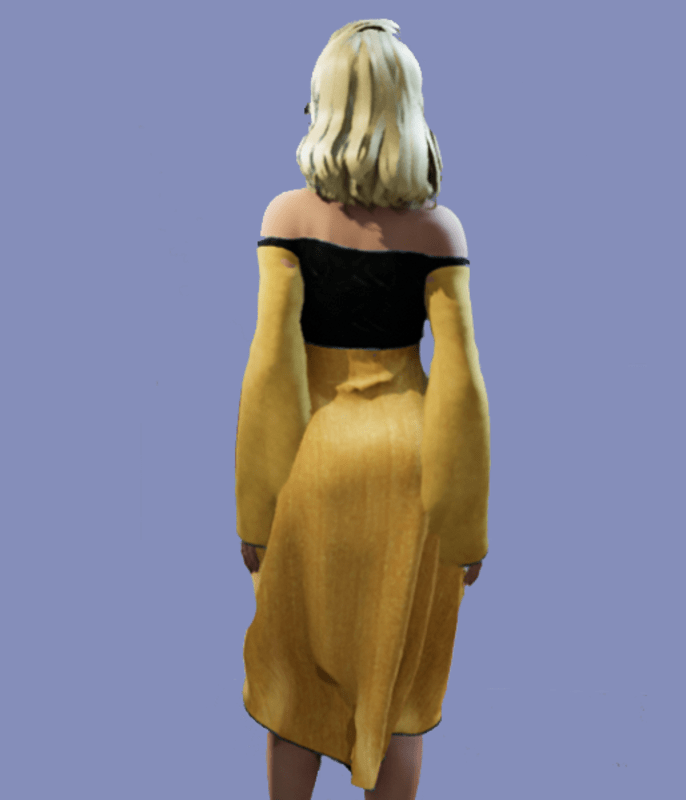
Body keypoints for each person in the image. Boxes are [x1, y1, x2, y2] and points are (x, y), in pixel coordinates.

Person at [235, 19, 490, 800]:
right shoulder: (439, 230)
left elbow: (272, 371)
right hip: (412, 469)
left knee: (295, 687)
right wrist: (466, 521)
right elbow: (461, 384)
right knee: (400, 695)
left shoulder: (286, 219)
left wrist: (255, 511)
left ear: (325, 105)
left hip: (317, 462)